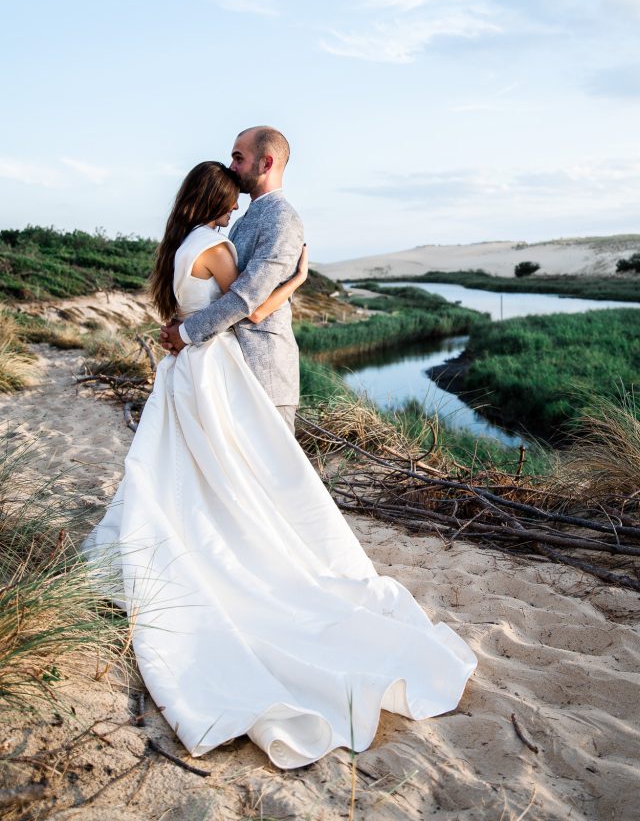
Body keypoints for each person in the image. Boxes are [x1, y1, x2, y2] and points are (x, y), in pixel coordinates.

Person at [83, 155, 477, 770]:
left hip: (184, 368)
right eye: (230, 196)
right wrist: (300, 277)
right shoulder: (214, 245)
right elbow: (254, 306)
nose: (238, 204)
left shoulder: (179, 244)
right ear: (218, 200)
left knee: (180, 468)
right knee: (237, 473)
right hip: (211, 368)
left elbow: (192, 311)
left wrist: (186, 328)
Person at [160, 126, 304, 433]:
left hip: (264, 368)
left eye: (238, 158)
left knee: (274, 474)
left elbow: (246, 299)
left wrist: (185, 332)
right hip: (231, 367)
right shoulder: (243, 220)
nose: (232, 167)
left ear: (266, 164)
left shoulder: (281, 218)